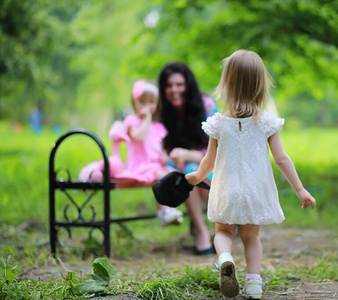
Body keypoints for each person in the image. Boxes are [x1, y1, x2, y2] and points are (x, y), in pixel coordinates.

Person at [185, 50, 316, 299]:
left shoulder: (218, 123)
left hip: (226, 190)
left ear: (227, 84)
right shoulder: (267, 122)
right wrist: (300, 188)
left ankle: (225, 259)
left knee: (223, 232)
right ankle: (254, 283)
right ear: (261, 85)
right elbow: (281, 158)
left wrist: (194, 178)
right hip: (255, 191)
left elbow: (208, 161)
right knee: (252, 237)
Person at [79, 80, 184, 226]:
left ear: (157, 103)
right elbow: (139, 137)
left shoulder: (158, 127)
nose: (147, 106)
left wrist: (164, 156)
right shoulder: (132, 122)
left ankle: (167, 209)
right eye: (142, 102)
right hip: (139, 167)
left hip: (154, 166)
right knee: (164, 176)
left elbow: (161, 149)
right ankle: (165, 211)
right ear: (134, 103)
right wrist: (147, 119)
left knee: (174, 175)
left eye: (151, 102)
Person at [158, 62, 218, 255]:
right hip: (178, 167)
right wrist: (168, 156)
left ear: (188, 85)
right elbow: (158, 147)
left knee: (193, 170)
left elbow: (220, 148)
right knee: (186, 173)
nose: (174, 90)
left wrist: (188, 154)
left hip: (211, 161)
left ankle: (225, 224)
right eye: (169, 86)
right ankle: (202, 232)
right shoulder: (162, 112)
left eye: (179, 84)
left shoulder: (206, 105)